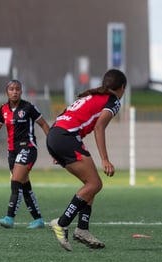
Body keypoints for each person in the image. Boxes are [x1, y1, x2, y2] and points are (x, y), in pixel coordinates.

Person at [46, 69, 127, 251]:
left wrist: (55, 149)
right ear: (122, 88)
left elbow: (64, 117)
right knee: (95, 185)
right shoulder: (112, 100)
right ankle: (62, 222)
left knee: (89, 184)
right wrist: (105, 159)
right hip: (66, 137)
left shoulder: (92, 96)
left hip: (56, 134)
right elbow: (99, 127)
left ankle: (82, 229)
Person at [0, 79, 50, 229]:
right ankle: (38, 220)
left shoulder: (28, 107)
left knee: (16, 181)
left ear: (21, 91)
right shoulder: (3, 109)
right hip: (12, 151)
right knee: (25, 186)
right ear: (7, 92)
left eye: (17, 89)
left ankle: (9, 217)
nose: (14, 92)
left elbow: (44, 124)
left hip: (27, 147)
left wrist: (53, 145)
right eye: (11, 89)